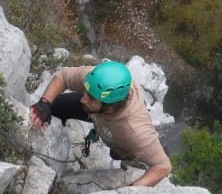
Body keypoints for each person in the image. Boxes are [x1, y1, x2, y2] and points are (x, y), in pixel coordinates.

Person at [30, 60, 172, 187]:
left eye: (90, 97)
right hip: (98, 114)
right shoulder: (96, 82)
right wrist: (44, 103)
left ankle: (128, 160)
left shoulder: (135, 131)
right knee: (56, 104)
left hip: (121, 140)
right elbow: (63, 77)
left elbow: (163, 166)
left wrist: (132, 190)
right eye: (85, 92)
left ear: (110, 105)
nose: (83, 99)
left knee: (116, 155)